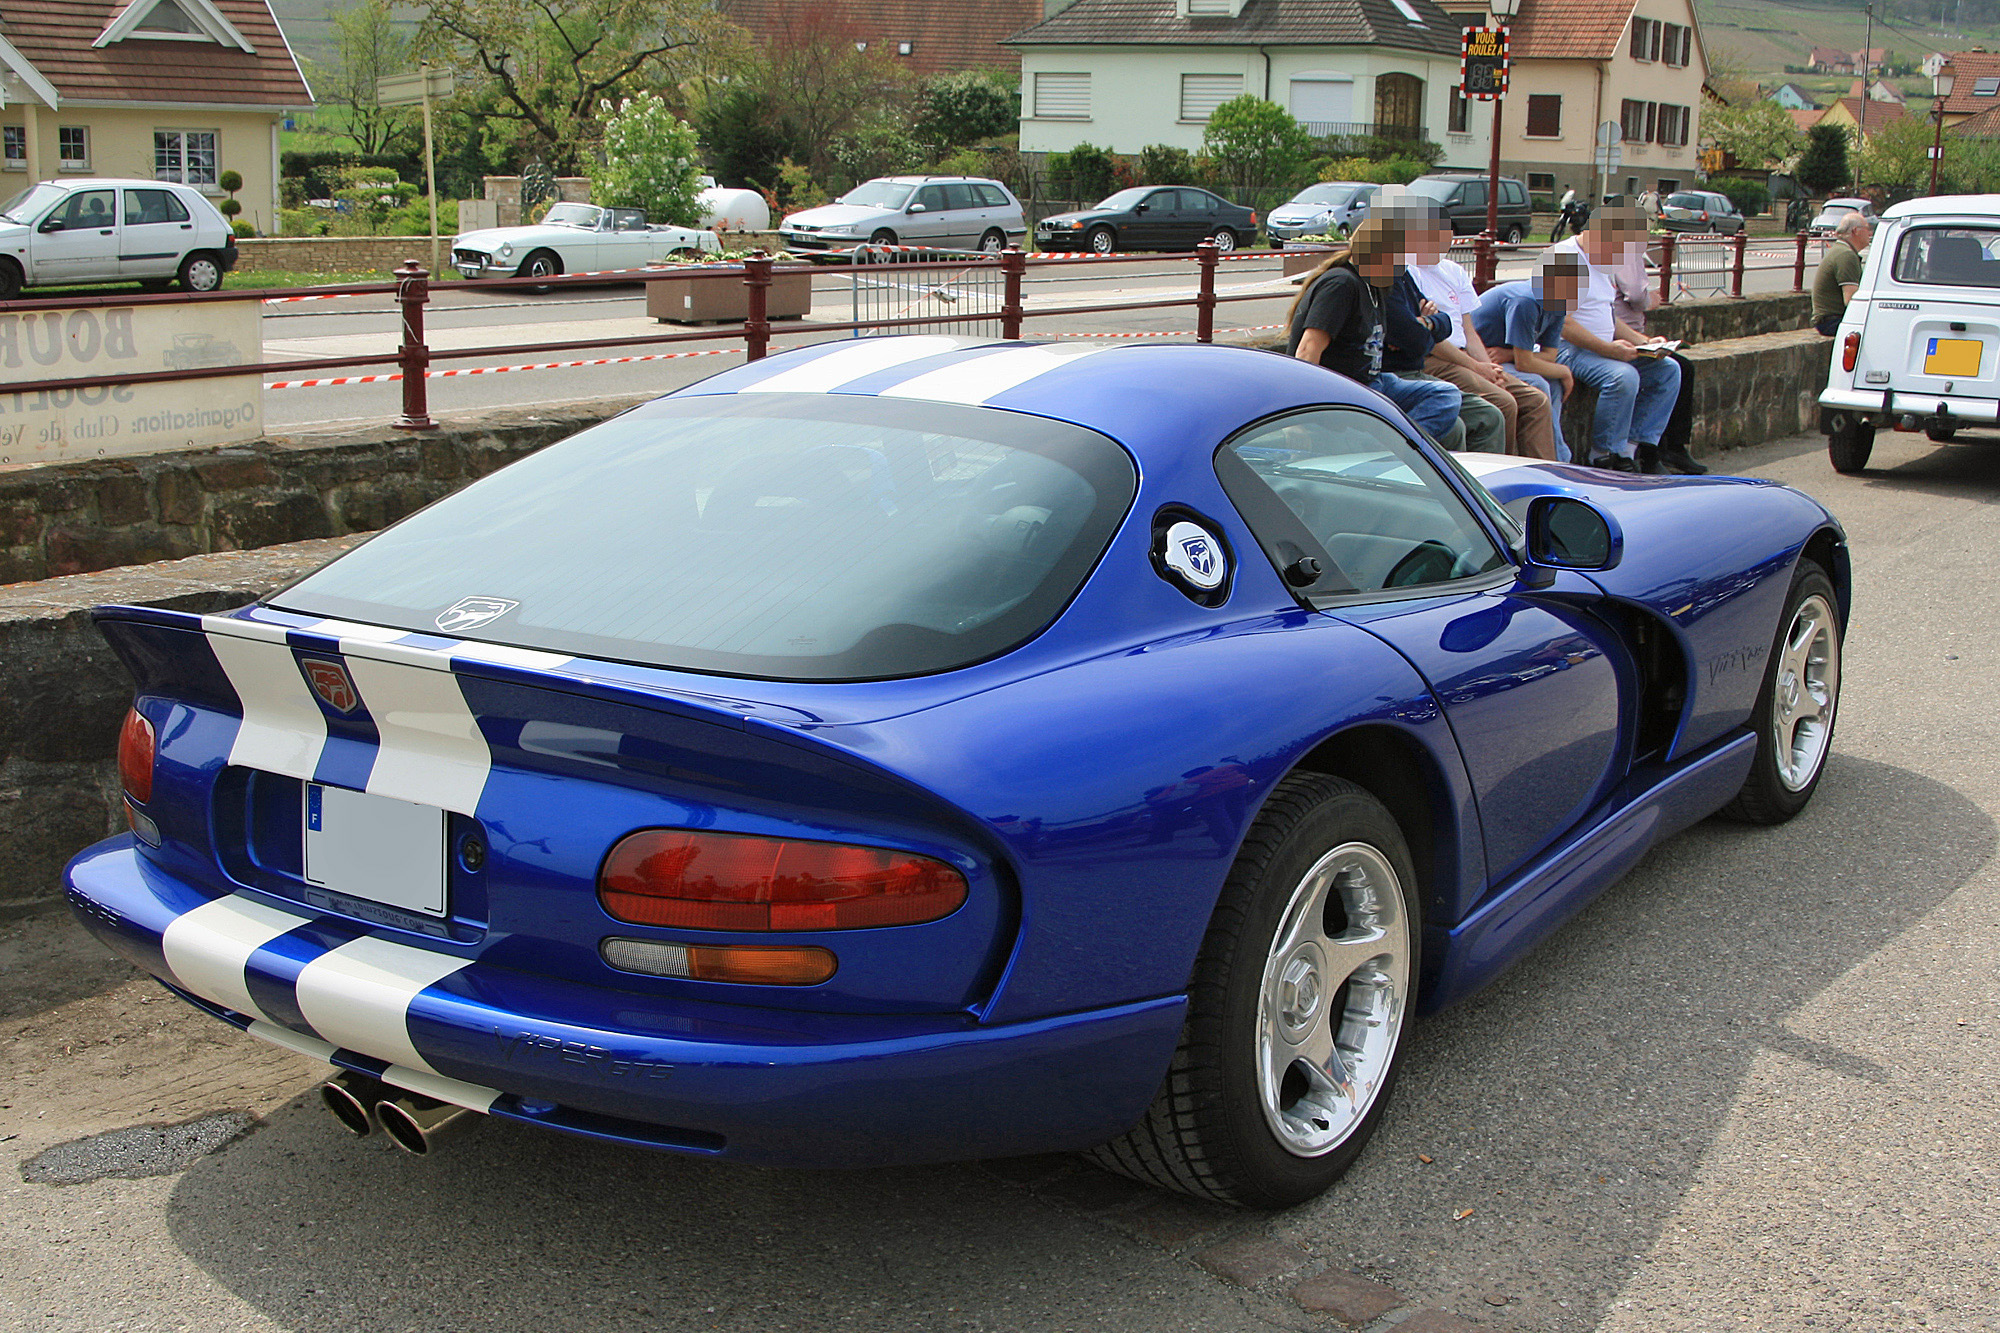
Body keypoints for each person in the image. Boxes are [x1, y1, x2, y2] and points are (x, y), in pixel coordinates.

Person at [1286, 216, 1464, 443]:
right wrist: (1302, 417)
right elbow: (1307, 351)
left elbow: (1419, 333)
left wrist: (1425, 323)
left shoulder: (1377, 287)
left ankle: (1398, 447)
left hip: (1375, 382)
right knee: (1447, 418)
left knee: (1446, 395)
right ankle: (1399, 453)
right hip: (1346, 390)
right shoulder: (1342, 285)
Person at [1408, 213, 1560, 460]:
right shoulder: (1409, 272)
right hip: (1436, 358)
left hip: (1466, 357)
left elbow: (1469, 331)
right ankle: (1500, 474)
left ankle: (1541, 471)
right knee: (1504, 403)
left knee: (1536, 400)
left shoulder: (1453, 271)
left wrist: (1487, 367)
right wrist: (1478, 368)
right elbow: (1428, 337)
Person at [1546, 207, 1682, 474]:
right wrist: (1610, 350)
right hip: (1568, 349)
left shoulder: (1599, 261)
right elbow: (1563, 324)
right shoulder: (1563, 258)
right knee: (1623, 376)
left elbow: (1608, 316)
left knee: (1668, 371)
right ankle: (1604, 452)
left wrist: (1645, 342)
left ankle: (1629, 449)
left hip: (1602, 346)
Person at [1606, 231, 1707, 474]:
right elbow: (1636, 295)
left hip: (1630, 334)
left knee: (1676, 367)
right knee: (1677, 368)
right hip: (1619, 337)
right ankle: (1653, 451)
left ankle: (1659, 447)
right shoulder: (1624, 252)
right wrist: (1651, 301)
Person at [1470, 251, 1584, 464]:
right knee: (1538, 383)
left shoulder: (1557, 305)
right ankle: (1556, 460)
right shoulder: (1526, 301)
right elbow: (1526, 363)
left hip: (1504, 357)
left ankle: (1552, 451)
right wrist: (1565, 371)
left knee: (1554, 384)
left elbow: (1550, 355)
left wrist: (1511, 353)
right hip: (1479, 357)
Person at [1813, 212, 1873, 336]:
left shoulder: (1840, 250)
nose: (1870, 233)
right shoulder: (1846, 255)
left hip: (1827, 319)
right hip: (1831, 321)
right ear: (1856, 231)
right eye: (1867, 228)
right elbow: (1851, 299)